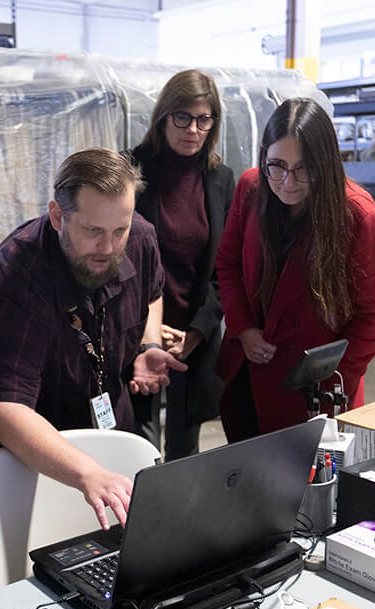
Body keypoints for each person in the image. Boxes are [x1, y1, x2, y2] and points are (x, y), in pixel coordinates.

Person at [0, 148, 186, 578]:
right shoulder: (17, 274)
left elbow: (152, 293)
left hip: (99, 394)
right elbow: (5, 410)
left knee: (112, 546)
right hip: (22, 426)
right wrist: (87, 472)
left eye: (120, 229)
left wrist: (146, 345)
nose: (109, 247)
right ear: (58, 216)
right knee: (31, 559)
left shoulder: (141, 237)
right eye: (93, 230)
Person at [215, 97, 375, 440]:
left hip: (316, 393)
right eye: (277, 165)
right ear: (264, 155)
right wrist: (243, 327)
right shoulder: (252, 188)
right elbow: (228, 263)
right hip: (251, 374)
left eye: (304, 168)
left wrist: (331, 382)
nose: (287, 181)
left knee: (310, 486)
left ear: (324, 163)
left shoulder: (360, 217)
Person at [125, 69, 235, 460]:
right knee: (138, 445)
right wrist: (148, 331)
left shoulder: (221, 179)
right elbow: (116, 257)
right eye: (183, 117)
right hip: (136, 330)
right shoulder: (131, 170)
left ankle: (177, 521)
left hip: (195, 335)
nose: (193, 129)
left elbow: (226, 268)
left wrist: (196, 333)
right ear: (163, 116)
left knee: (185, 450)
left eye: (204, 119)